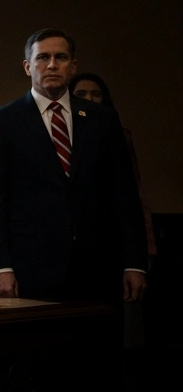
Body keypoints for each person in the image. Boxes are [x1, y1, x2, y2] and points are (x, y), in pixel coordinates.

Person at [0, 30, 147, 302]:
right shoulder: (3, 121)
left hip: (99, 267)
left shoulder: (102, 119)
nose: (52, 64)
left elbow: (124, 194)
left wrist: (134, 262)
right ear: (27, 66)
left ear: (73, 66)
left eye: (61, 57)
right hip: (31, 269)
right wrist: (0, 266)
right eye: (43, 57)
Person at [70, 72, 154, 263]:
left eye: (96, 94)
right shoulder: (58, 133)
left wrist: (144, 250)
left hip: (107, 234)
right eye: (81, 94)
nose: (89, 99)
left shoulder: (118, 135)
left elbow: (132, 192)